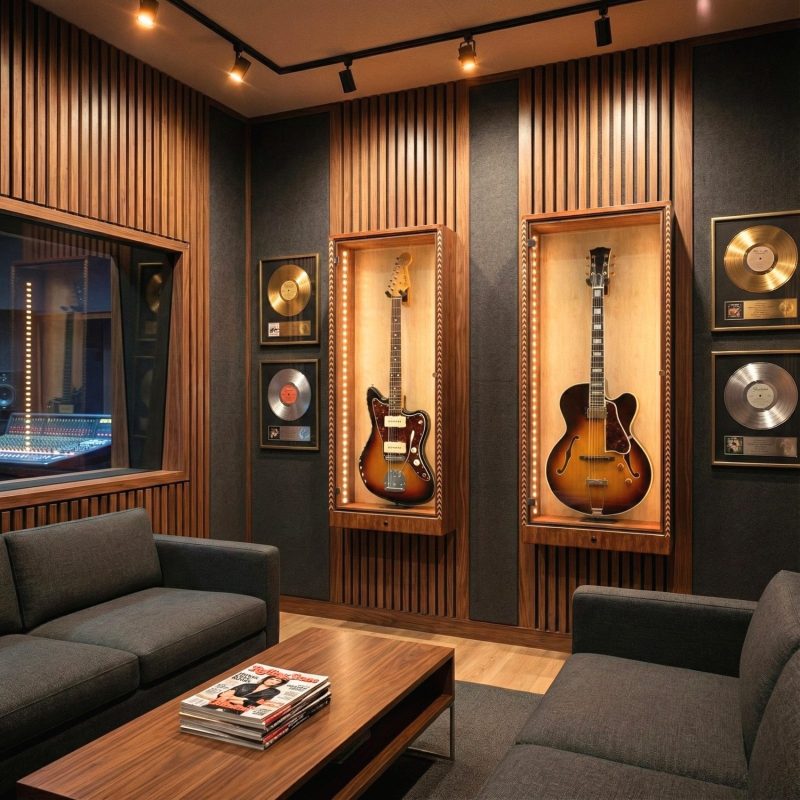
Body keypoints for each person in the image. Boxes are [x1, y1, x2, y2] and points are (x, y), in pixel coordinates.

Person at [214, 675, 287, 707]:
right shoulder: (247, 685)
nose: (273, 681)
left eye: (277, 680)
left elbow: (258, 702)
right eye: (271, 679)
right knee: (223, 698)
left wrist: (232, 698)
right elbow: (223, 694)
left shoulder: (274, 691)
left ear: (279, 683)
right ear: (266, 679)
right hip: (226, 701)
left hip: (246, 705)